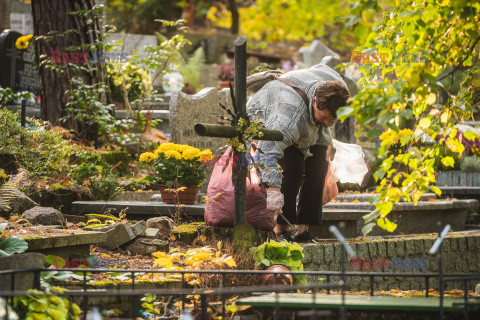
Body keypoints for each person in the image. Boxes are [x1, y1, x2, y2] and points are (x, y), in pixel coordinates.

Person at [247, 64, 350, 242]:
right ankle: (281, 228)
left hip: (306, 119)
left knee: (319, 165)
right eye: (324, 117)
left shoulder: (339, 93)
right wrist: (273, 190)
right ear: (316, 101)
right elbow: (266, 151)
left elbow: (322, 120)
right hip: (271, 111)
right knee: (294, 166)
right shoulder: (288, 117)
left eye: (331, 120)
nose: (326, 122)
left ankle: (302, 229)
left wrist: (326, 131)